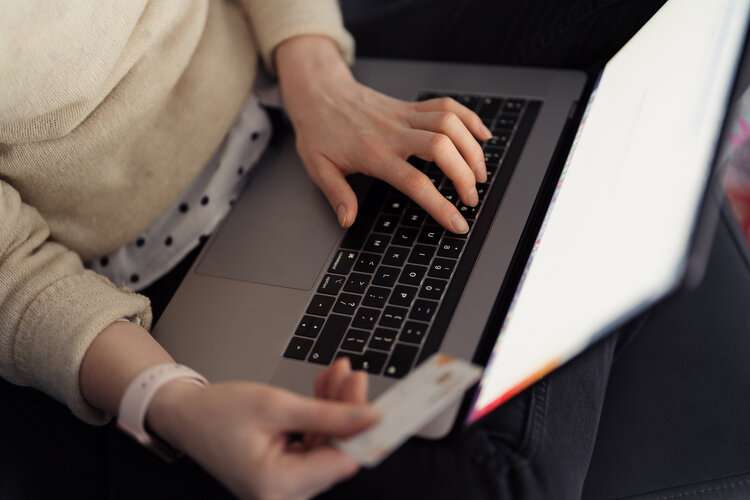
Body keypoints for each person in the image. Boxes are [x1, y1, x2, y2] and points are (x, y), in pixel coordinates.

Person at [8, 1, 747, 499]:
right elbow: (13, 279)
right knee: (499, 477)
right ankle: (608, 203)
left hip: (308, 77)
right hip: (158, 275)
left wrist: (320, 79)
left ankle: (589, 213)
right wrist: (170, 402)